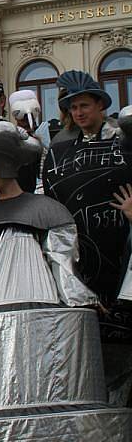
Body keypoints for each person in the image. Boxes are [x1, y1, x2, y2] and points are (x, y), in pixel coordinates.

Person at [43, 71, 132, 402]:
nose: (79, 113)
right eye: (73, 108)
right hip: (84, 258)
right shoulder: (60, 153)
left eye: (84, 105)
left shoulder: (125, 141)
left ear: (100, 105)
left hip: (122, 256)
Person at [0, 120, 98, 315]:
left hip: (39, 308)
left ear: (5, 164)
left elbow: (61, 262)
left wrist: (79, 300)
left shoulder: (46, 211)